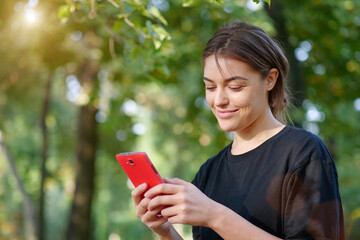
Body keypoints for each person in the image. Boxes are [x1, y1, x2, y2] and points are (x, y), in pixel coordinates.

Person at [131, 22, 345, 240]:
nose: (219, 100)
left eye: (235, 87)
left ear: (270, 79)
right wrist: (165, 231)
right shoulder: (208, 172)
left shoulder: (303, 153)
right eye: (211, 87)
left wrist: (214, 215)